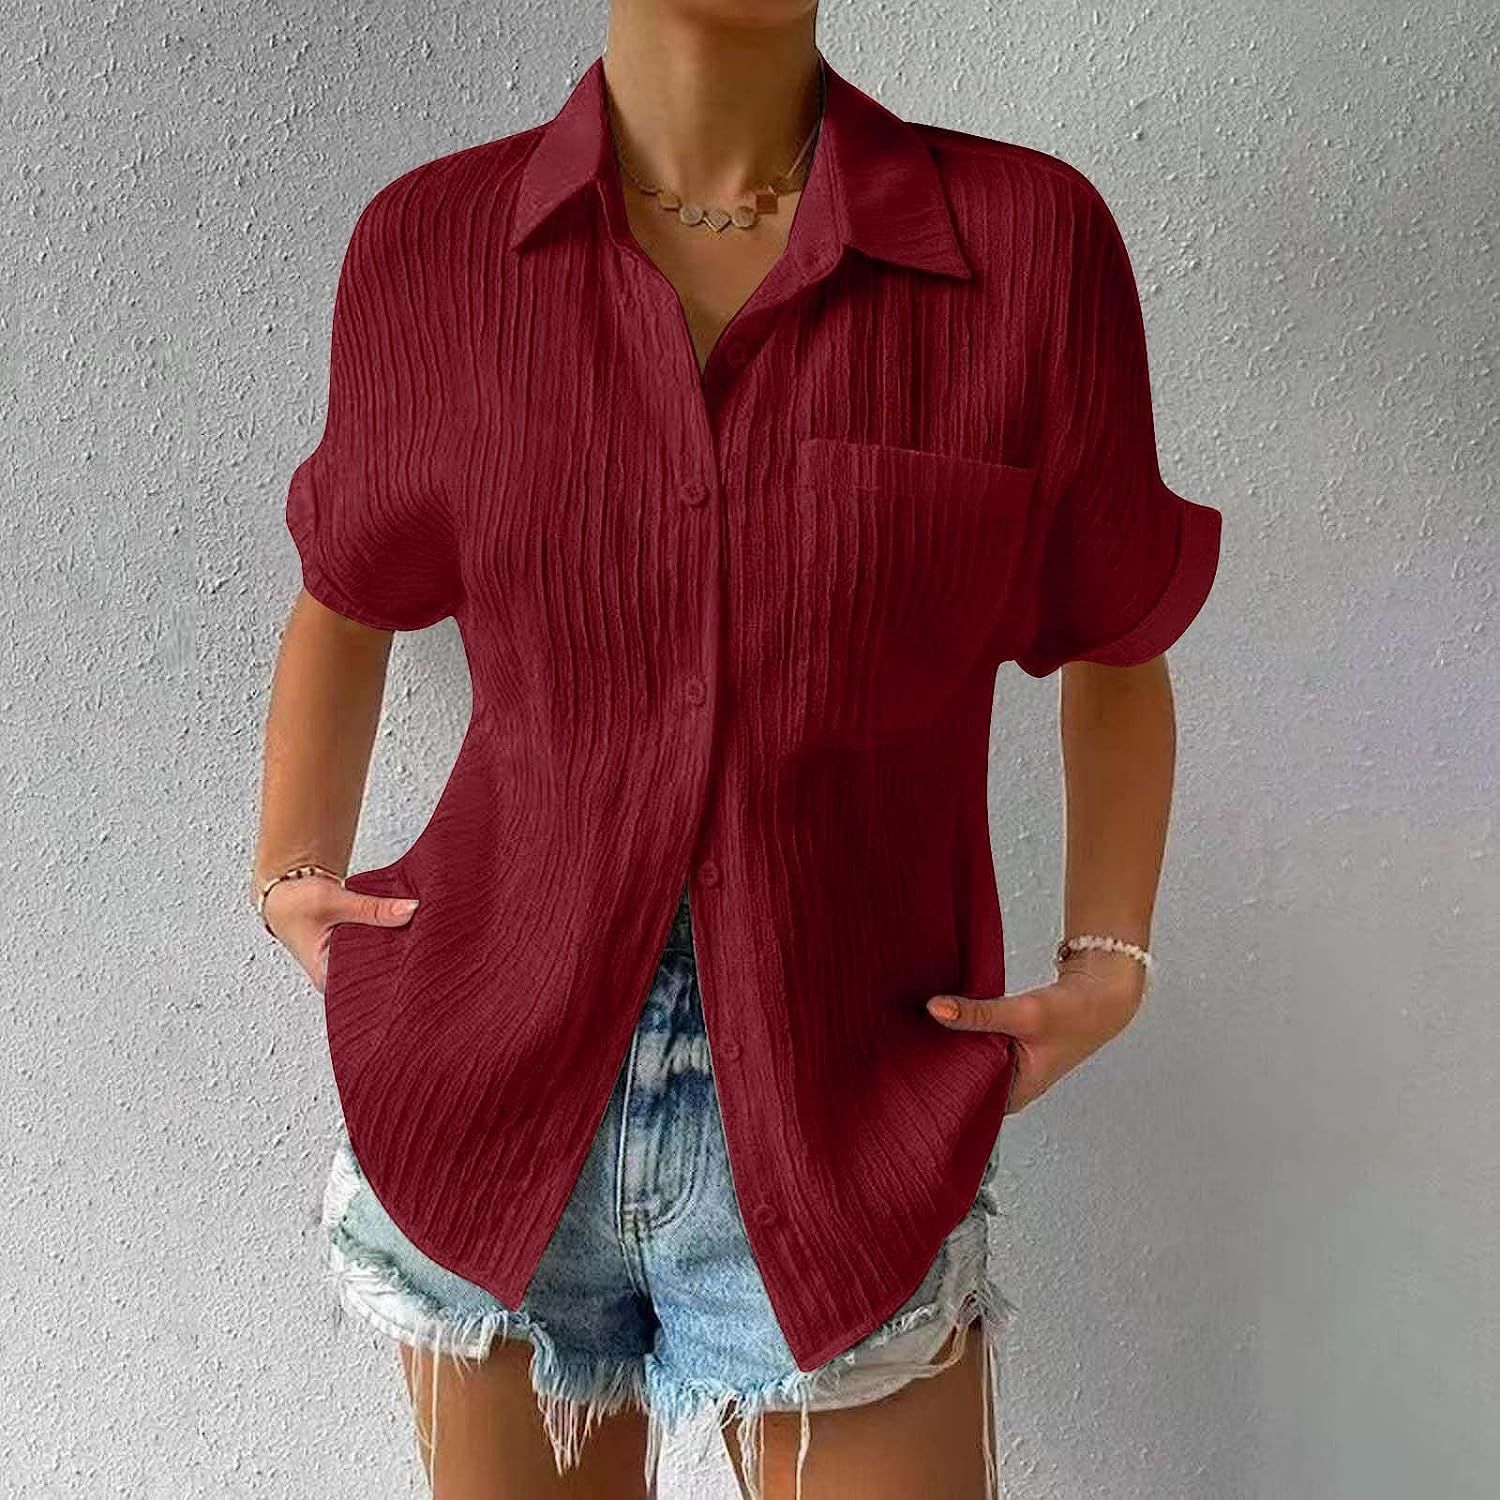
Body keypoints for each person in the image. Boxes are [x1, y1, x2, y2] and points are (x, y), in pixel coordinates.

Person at [253, 6, 1221, 1498]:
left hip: (851, 1115)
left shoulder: (1027, 245)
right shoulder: (431, 246)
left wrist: (1110, 958)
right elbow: (347, 589)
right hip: (487, 1098)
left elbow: (1115, 629)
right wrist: (288, 873)